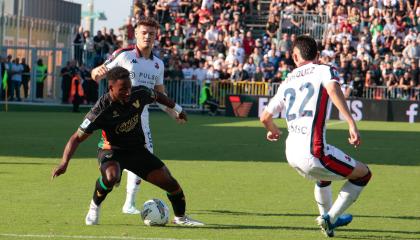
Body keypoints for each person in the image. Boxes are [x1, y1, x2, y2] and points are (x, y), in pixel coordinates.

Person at [51, 66, 204, 226]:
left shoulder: (139, 93)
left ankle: (180, 218)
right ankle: (94, 206)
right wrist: (64, 163)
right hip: (111, 151)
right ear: (111, 88)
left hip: (137, 150)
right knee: (111, 177)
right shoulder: (100, 110)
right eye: (123, 89)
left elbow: (158, 96)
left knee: (170, 183)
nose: (128, 92)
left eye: (129, 87)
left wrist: (178, 109)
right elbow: (76, 138)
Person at [260, 35, 372, 238]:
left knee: (323, 178)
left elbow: (265, 117)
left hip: (291, 153)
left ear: (295, 56)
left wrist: (273, 130)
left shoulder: (288, 79)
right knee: (364, 174)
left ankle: (327, 222)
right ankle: (332, 218)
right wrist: (350, 122)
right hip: (313, 151)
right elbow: (333, 88)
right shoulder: (324, 69)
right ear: (318, 55)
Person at [91, 17, 182, 215]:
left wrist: (172, 112)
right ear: (136, 34)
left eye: (151, 34)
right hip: (117, 116)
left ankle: (129, 202)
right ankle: (107, 186)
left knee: (143, 158)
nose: (147, 37)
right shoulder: (123, 55)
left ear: (156, 36)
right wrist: (97, 72)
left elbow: (160, 94)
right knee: (116, 160)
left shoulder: (158, 64)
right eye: (144, 33)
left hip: (142, 118)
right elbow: (97, 72)